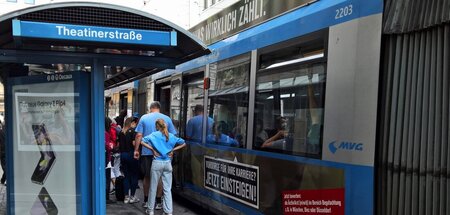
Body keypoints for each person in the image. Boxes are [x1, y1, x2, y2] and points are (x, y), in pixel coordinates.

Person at [134, 101, 177, 209]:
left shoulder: (144, 118)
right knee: (161, 177)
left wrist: (136, 150)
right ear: (159, 108)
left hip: (147, 153)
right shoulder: (167, 119)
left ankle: (146, 200)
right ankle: (158, 202)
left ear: (150, 108)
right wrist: (171, 150)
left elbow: (139, 135)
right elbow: (172, 136)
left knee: (147, 176)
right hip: (163, 154)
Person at [141, 119, 186, 215]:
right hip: (167, 163)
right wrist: (173, 150)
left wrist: (152, 149)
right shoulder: (171, 136)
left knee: (153, 187)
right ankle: (168, 211)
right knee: (167, 188)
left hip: (157, 162)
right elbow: (183, 143)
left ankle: (150, 210)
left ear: (157, 126)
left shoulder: (153, 135)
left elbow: (142, 141)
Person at [119, 117, 140, 204]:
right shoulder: (133, 131)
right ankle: (132, 197)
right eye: (135, 123)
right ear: (132, 123)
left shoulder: (121, 132)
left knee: (126, 176)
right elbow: (134, 143)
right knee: (134, 176)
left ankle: (126, 197)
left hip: (123, 155)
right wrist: (137, 150)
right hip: (131, 155)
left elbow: (118, 144)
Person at [105, 117, 115, 204]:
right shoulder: (106, 133)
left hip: (103, 158)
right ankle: (106, 197)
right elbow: (108, 147)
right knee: (107, 177)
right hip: (106, 159)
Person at [0, 120, 6, 184]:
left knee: (5, 167)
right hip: (4, 151)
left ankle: (3, 180)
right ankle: (3, 180)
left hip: (3, 151)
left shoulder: (1, 131)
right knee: (5, 166)